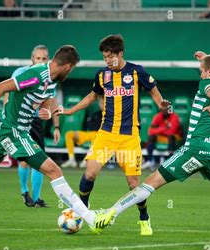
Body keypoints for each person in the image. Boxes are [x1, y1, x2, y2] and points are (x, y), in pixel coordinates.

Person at [96, 51, 210, 239]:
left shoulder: (207, 83)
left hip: (195, 148)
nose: (200, 74)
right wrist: (209, 58)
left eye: (202, 70)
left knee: (150, 183)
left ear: (209, 73)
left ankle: (111, 212)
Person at [0, 45, 111, 233]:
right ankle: (91, 219)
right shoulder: (36, 75)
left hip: (15, 129)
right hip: (13, 130)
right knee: (54, 170)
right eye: (71, 69)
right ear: (67, 66)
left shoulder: (52, 79)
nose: (70, 72)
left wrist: (47, 111)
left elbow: (47, 100)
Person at [58, 34, 170, 236]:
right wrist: (70, 110)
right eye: (104, 57)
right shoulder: (102, 75)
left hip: (129, 136)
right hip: (106, 133)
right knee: (90, 172)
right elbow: (93, 96)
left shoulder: (137, 72)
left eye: (110, 57)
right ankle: (83, 210)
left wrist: (160, 104)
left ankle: (144, 218)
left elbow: (153, 90)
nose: (107, 61)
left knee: (134, 184)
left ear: (120, 53)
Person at [9, 45, 57, 208]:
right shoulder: (20, 73)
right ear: (32, 59)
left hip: (35, 122)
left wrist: (53, 122)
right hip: (19, 122)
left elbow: (50, 103)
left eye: (44, 59)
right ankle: (25, 192)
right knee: (24, 161)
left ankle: (36, 198)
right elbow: (7, 95)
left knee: (39, 158)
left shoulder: (49, 78)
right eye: (38, 58)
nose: (41, 61)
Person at [61, 97, 103, 169]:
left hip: (101, 135)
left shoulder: (110, 115)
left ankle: (87, 160)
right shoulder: (95, 114)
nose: (101, 104)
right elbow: (88, 125)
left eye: (103, 103)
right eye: (101, 103)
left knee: (97, 138)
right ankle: (71, 159)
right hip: (89, 133)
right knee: (69, 134)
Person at [141, 104, 183, 170]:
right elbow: (151, 131)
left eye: (166, 109)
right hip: (162, 137)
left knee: (171, 137)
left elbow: (171, 131)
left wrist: (159, 130)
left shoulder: (174, 116)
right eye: (163, 109)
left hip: (176, 137)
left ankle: (170, 162)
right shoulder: (158, 116)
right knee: (151, 137)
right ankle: (149, 161)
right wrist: (164, 128)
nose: (164, 111)